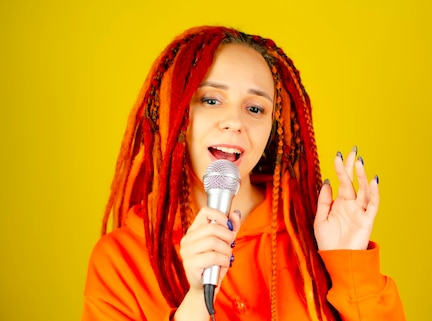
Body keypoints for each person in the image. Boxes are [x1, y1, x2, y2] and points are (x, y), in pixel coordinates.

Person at [81, 25, 406, 321]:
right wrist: (195, 301)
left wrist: (350, 266)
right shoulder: (121, 259)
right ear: (175, 113)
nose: (235, 120)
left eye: (255, 108)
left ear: (272, 128)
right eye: (211, 100)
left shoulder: (312, 235)